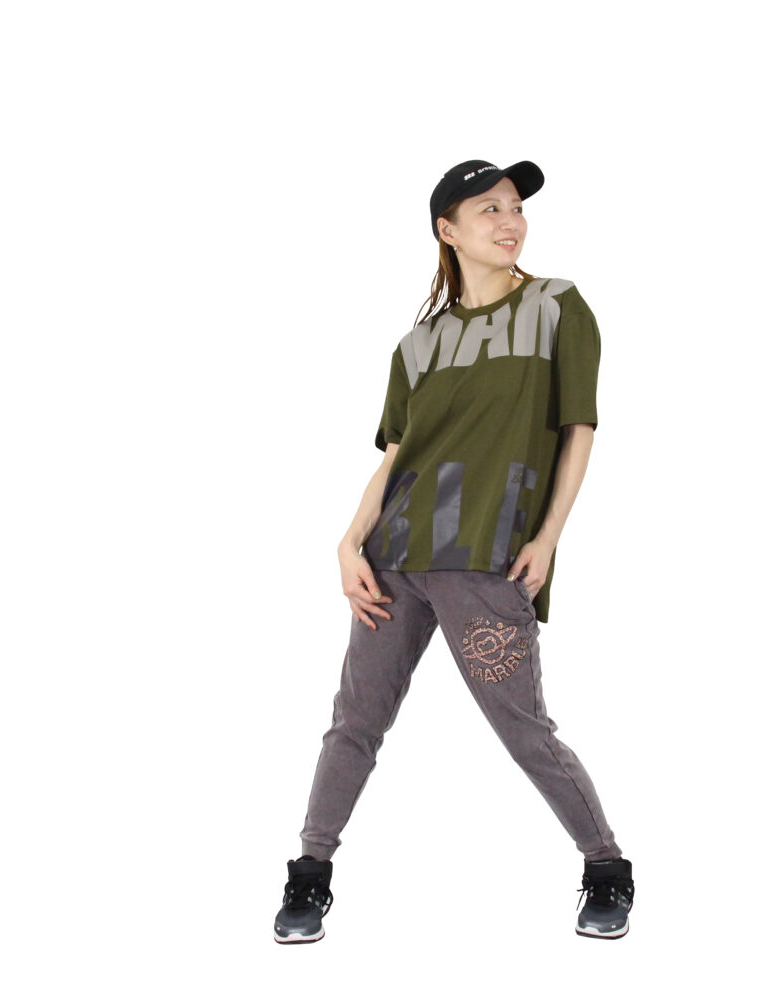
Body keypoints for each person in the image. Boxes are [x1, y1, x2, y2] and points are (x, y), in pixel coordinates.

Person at [274, 159, 634, 944]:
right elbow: (397, 457)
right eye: (488, 210)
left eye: (515, 207)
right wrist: (348, 540)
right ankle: (309, 874)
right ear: (448, 230)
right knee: (354, 723)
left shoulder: (557, 306)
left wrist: (547, 537)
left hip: (487, 557)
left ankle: (606, 868)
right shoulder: (417, 345)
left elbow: (579, 427)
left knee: (524, 730)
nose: (510, 221)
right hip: (393, 559)